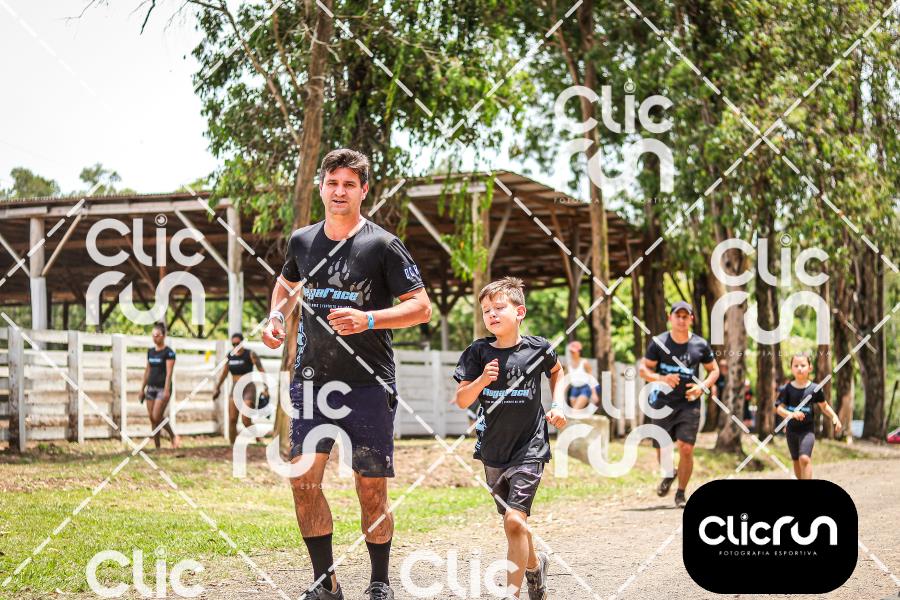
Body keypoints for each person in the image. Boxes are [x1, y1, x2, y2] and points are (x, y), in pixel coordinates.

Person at [262, 148, 431, 600]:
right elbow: (286, 285)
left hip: (368, 384)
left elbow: (421, 307)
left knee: (370, 490)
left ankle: (379, 582)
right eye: (333, 183)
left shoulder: (382, 245)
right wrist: (276, 317)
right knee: (303, 482)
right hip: (311, 382)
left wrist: (368, 318)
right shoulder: (302, 241)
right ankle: (326, 584)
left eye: (349, 185)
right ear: (321, 187)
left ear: (363, 191)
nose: (340, 192)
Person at [452, 277, 567, 600]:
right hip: (493, 450)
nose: (491, 314)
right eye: (486, 310)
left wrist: (558, 404)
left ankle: (510, 594)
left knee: (515, 520)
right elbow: (461, 399)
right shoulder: (477, 352)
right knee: (514, 523)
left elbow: (557, 371)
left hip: (531, 446)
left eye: (499, 307)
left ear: (520, 312)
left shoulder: (538, 348)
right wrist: (481, 381)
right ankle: (535, 567)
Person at [638, 301, 718, 508]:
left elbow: (714, 370)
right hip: (662, 402)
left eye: (685, 316)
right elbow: (643, 370)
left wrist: (702, 386)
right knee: (663, 447)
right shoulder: (659, 343)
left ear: (691, 319)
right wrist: (661, 378)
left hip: (689, 403)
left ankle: (681, 493)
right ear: (670, 318)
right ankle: (669, 473)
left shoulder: (700, 344)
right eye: (678, 316)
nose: (681, 320)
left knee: (686, 448)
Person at [775, 353, 842, 479]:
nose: (799, 368)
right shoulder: (786, 389)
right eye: (796, 366)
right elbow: (778, 409)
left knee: (804, 458)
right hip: (791, 431)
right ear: (791, 368)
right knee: (796, 460)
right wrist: (791, 414)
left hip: (807, 430)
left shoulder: (815, 389)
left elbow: (824, 406)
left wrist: (834, 417)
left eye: (803, 365)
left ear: (810, 368)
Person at [213, 333, 269, 445]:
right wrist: (218, 387)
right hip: (235, 388)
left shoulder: (250, 354)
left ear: (242, 343)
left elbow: (261, 370)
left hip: (248, 388)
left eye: (237, 344)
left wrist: (266, 387)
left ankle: (259, 439)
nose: (235, 346)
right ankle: (232, 445)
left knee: (245, 420)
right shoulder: (230, 355)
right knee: (232, 419)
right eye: (233, 344)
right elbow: (224, 373)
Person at [138, 322, 181, 449]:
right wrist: (142, 389)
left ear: (163, 336)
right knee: (152, 418)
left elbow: (169, 373)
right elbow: (147, 371)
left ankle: (173, 436)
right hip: (150, 388)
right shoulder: (150, 352)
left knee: (156, 416)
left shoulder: (169, 353)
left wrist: (167, 389)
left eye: (157, 335)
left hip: (162, 388)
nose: (154, 338)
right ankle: (157, 447)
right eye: (153, 335)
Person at [564, 340, 597, 410]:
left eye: (574, 352)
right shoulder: (568, 365)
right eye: (571, 352)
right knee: (578, 412)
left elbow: (591, 378)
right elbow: (567, 381)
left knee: (575, 410)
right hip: (574, 389)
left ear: (579, 352)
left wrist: (594, 393)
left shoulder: (584, 362)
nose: (572, 354)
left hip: (584, 389)